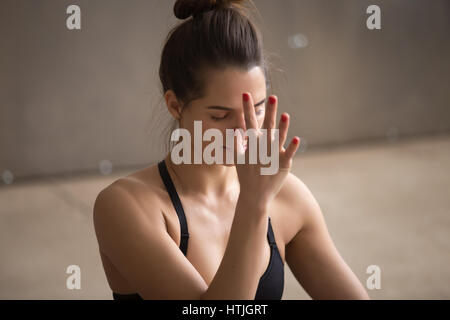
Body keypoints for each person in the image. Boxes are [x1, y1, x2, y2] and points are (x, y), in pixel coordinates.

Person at [93, 0, 370, 300]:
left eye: (256, 109)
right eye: (220, 116)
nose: (245, 132)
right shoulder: (126, 207)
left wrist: (257, 196)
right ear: (175, 105)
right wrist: (252, 202)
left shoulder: (288, 197)